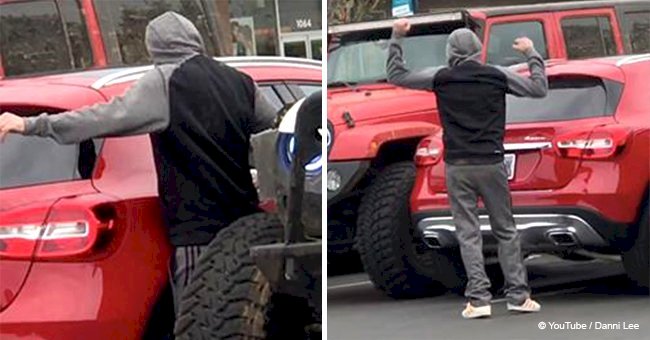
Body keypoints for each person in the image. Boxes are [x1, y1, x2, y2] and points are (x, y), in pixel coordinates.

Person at [0, 12, 276, 313]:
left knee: (201, 320)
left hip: (197, 232)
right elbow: (275, 132)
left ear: (154, 48)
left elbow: (102, 118)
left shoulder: (164, 82)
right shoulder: (241, 82)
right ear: (195, 38)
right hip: (246, 225)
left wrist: (31, 126)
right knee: (247, 319)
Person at [386, 19, 548, 319]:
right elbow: (539, 89)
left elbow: (396, 74)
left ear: (450, 52)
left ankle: (478, 299)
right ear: (478, 51)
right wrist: (532, 53)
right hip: (492, 162)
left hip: (457, 165)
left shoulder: (441, 77)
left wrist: (397, 36)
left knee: (468, 232)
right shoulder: (497, 76)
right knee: (505, 230)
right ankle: (518, 296)